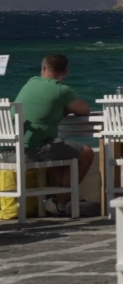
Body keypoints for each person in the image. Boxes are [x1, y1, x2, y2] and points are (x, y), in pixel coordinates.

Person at [13, 53, 93, 214]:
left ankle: (58, 201)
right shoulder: (61, 90)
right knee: (87, 152)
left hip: (9, 150)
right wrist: (63, 108)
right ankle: (62, 201)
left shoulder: (31, 82)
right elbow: (84, 110)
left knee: (59, 150)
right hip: (31, 151)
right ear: (66, 71)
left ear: (43, 68)